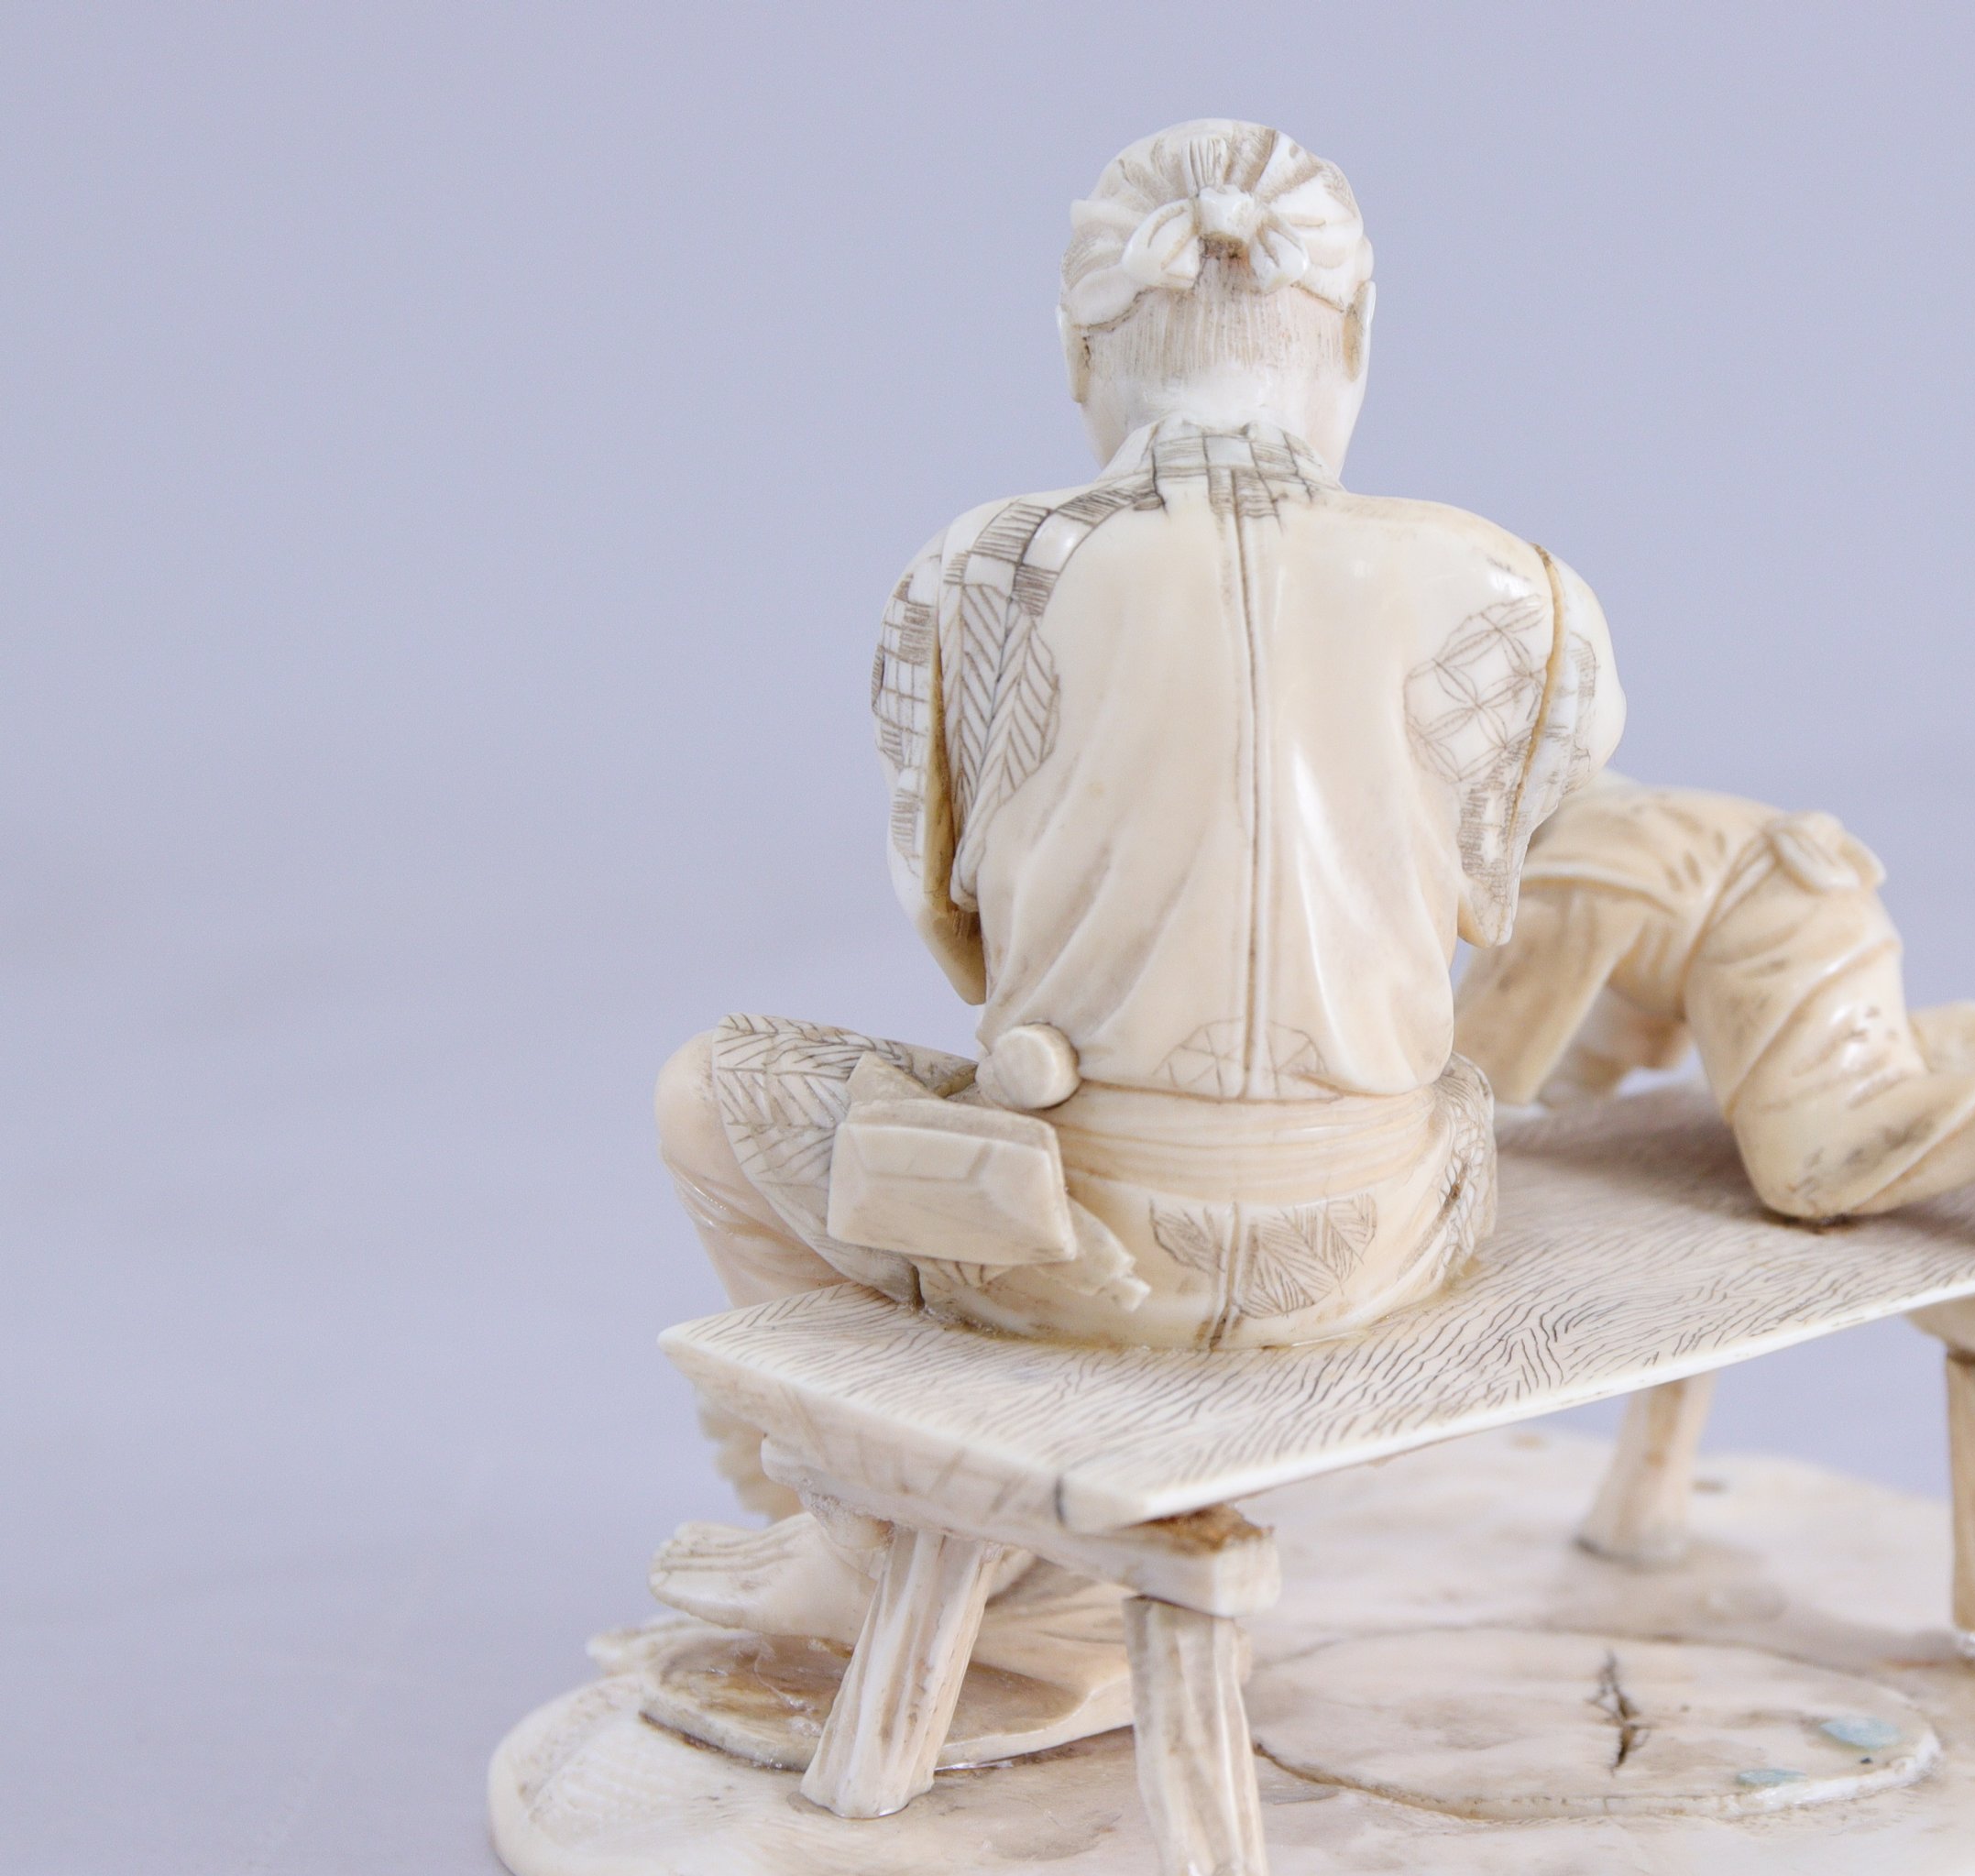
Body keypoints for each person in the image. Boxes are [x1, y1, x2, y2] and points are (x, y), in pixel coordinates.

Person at [653, 120, 1621, 1614]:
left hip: (1073, 1241)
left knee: (710, 1091)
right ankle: (975, 1561)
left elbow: (961, 935)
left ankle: (873, 1542)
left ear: (1076, 348)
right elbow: (1513, 877)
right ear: (1358, 333)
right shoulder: (1529, 593)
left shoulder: (978, 572)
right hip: (1392, 1225)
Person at [1454, 776, 1975, 1247]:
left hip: (1784, 951)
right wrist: (1572, 1097)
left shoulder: (1562, 878)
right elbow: (1630, 994)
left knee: (1812, 1166)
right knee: (1848, 1079)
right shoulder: (1607, 810)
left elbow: (1476, 1072)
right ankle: (1947, 1048)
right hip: (1823, 915)